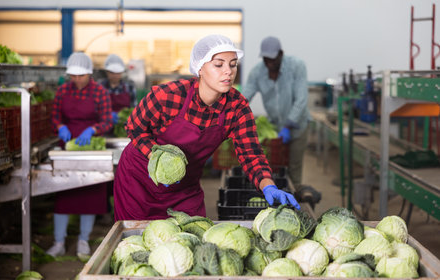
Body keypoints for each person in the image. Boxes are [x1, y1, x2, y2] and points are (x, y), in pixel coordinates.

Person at [113, 34, 300, 221]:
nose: (228, 71)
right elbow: (134, 128)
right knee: (136, 241)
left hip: (184, 186)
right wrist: (157, 158)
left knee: (192, 238)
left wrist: (268, 185)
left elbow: (251, 153)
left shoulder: (237, 107)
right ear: (199, 67)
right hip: (139, 181)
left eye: (233, 64)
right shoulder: (168, 96)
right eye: (219, 65)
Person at [48, 52, 113, 258]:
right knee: (63, 193)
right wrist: (60, 127)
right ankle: (59, 241)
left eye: (81, 76)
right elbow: (54, 117)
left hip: (90, 146)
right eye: (73, 76)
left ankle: (83, 240)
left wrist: (92, 130)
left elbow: (107, 121)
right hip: (68, 147)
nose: (76, 80)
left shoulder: (99, 92)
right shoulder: (62, 91)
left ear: (89, 73)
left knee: (89, 193)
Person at [243, 36, 319, 204]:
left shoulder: (296, 66)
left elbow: (301, 100)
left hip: (298, 126)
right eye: (266, 58)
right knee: (273, 166)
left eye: (273, 58)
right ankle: (276, 196)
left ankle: (295, 198)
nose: (269, 62)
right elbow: (245, 95)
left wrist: (289, 124)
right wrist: (230, 112)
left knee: (293, 167)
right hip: (275, 127)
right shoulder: (257, 72)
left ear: (281, 54)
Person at [99, 54, 136, 124]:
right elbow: (94, 109)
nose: (115, 75)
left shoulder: (130, 86)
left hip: (124, 126)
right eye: (112, 73)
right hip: (104, 126)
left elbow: (134, 109)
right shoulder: (100, 87)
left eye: (118, 73)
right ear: (107, 72)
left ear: (122, 72)